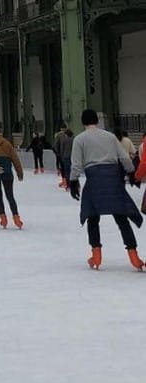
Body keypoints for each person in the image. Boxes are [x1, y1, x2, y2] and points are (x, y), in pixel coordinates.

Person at [69, 109, 143, 271]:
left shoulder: (80, 139)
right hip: (113, 179)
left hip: (94, 180)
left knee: (92, 217)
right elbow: (124, 157)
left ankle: (96, 255)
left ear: (83, 122)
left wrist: (73, 181)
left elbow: (76, 163)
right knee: (121, 217)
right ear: (97, 121)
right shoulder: (110, 137)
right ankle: (134, 256)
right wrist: (131, 172)